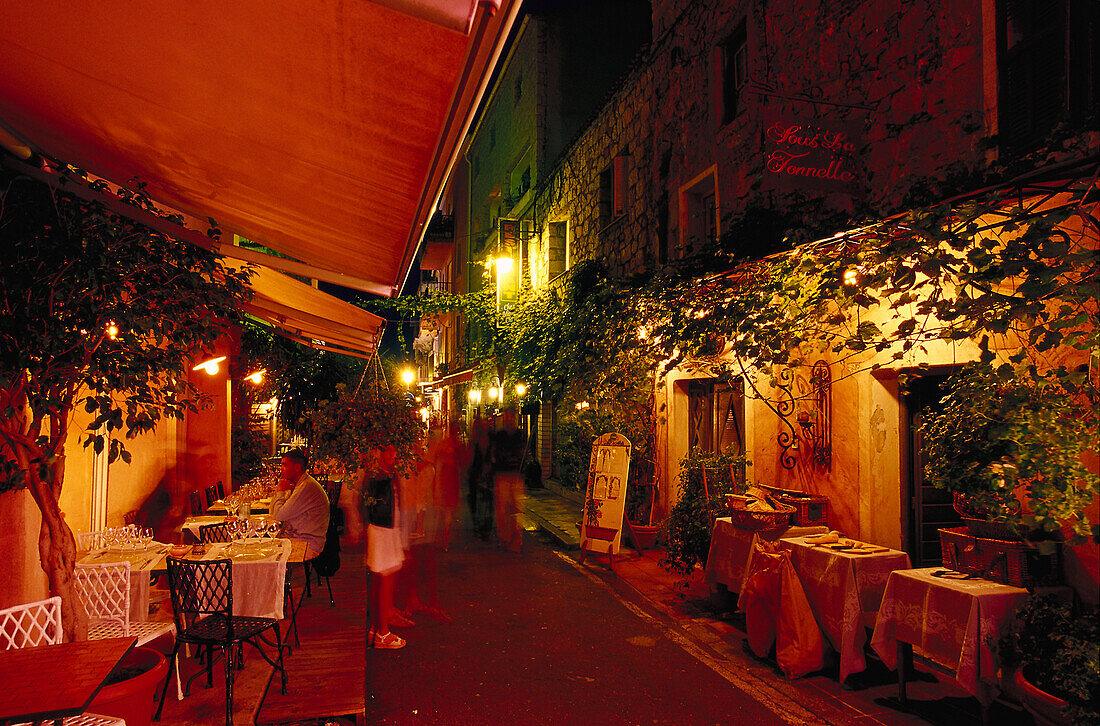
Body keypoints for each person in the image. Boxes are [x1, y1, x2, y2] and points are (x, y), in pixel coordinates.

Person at [361, 444, 411, 649]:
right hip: (383, 530)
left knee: (379, 580)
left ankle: (376, 628)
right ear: (379, 452)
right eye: (390, 450)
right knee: (384, 581)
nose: (395, 454)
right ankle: (382, 633)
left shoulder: (377, 474)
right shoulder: (379, 475)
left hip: (383, 529)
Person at [270, 448, 330, 559]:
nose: (281, 469)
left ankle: (278, 575)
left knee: (265, 554)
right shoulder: (299, 484)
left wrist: (280, 492)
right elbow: (273, 513)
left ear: (297, 467)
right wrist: (280, 491)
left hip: (307, 544)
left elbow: (279, 516)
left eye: (285, 465)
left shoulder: (306, 487)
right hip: (295, 538)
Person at [491, 409, 527, 552]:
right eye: (506, 418)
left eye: (511, 418)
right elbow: (495, 453)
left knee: (516, 510)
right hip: (503, 475)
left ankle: (516, 538)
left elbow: (524, 452)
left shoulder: (520, 435)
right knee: (502, 510)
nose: (509, 421)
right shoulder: (500, 435)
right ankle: (504, 538)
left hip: (515, 475)